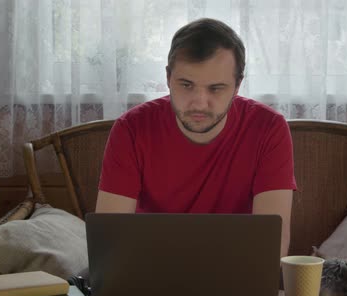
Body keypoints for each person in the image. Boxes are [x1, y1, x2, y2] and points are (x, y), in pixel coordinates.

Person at [96, 18, 297, 257]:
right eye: (187, 85)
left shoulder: (269, 129)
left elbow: (271, 247)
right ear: (169, 78)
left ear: (237, 85)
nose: (200, 103)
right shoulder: (130, 129)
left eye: (216, 88)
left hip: (236, 278)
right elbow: (109, 245)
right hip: (148, 274)